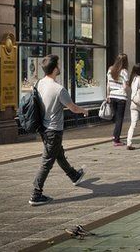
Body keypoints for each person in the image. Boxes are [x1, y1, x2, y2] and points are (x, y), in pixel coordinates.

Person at [30, 55, 88, 206]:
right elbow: (73, 108)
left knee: (58, 154)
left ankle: (74, 175)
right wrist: (84, 111)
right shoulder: (59, 89)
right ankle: (36, 194)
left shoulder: (39, 83)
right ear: (55, 68)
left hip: (43, 128)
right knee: (47, 161)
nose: (60, 66)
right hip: (54, 130)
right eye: (59, 64)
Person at [106, 54, 130, 147]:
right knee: (120, 119)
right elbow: (125, 86)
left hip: (112, 96)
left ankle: (115, 135)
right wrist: (127, 87)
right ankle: (116, 139)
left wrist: (108, 95)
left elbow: (108, 84)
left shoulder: (110, 69)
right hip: (121, 97)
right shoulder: (124, 71)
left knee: (116, 117)